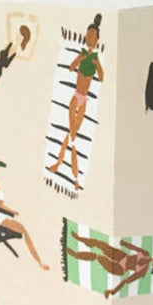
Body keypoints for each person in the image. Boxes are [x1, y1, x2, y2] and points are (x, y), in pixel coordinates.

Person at [49, 14, 104, 190]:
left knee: (71, 136)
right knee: (72, 137)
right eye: (88, 36)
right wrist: (80, 59)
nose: (89, 39)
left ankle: (61, 166)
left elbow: (102, 77)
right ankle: (74, 178)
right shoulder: (83, 54)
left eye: (92, 37)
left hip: (83, 100)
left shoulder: (94, 57)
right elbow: (72, 67)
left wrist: (95, 64)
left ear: (96, 40)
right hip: (75, 97)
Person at [0, 153, 49, 271]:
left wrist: (10, 211)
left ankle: (39, 261)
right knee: (23, 230)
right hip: (1, 220)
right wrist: (11, 212)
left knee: (21, 230)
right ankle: (39, 262)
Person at [66, 231, 153, 299]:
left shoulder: (143, 271)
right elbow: (134, 248)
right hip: (122, 256)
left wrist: (112, 291)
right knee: (101, 244)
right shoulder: (146, 253)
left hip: (120, 269)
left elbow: (126, 280)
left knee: (97, 257)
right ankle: (79, 238)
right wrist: (124, 244)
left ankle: (76, 255)